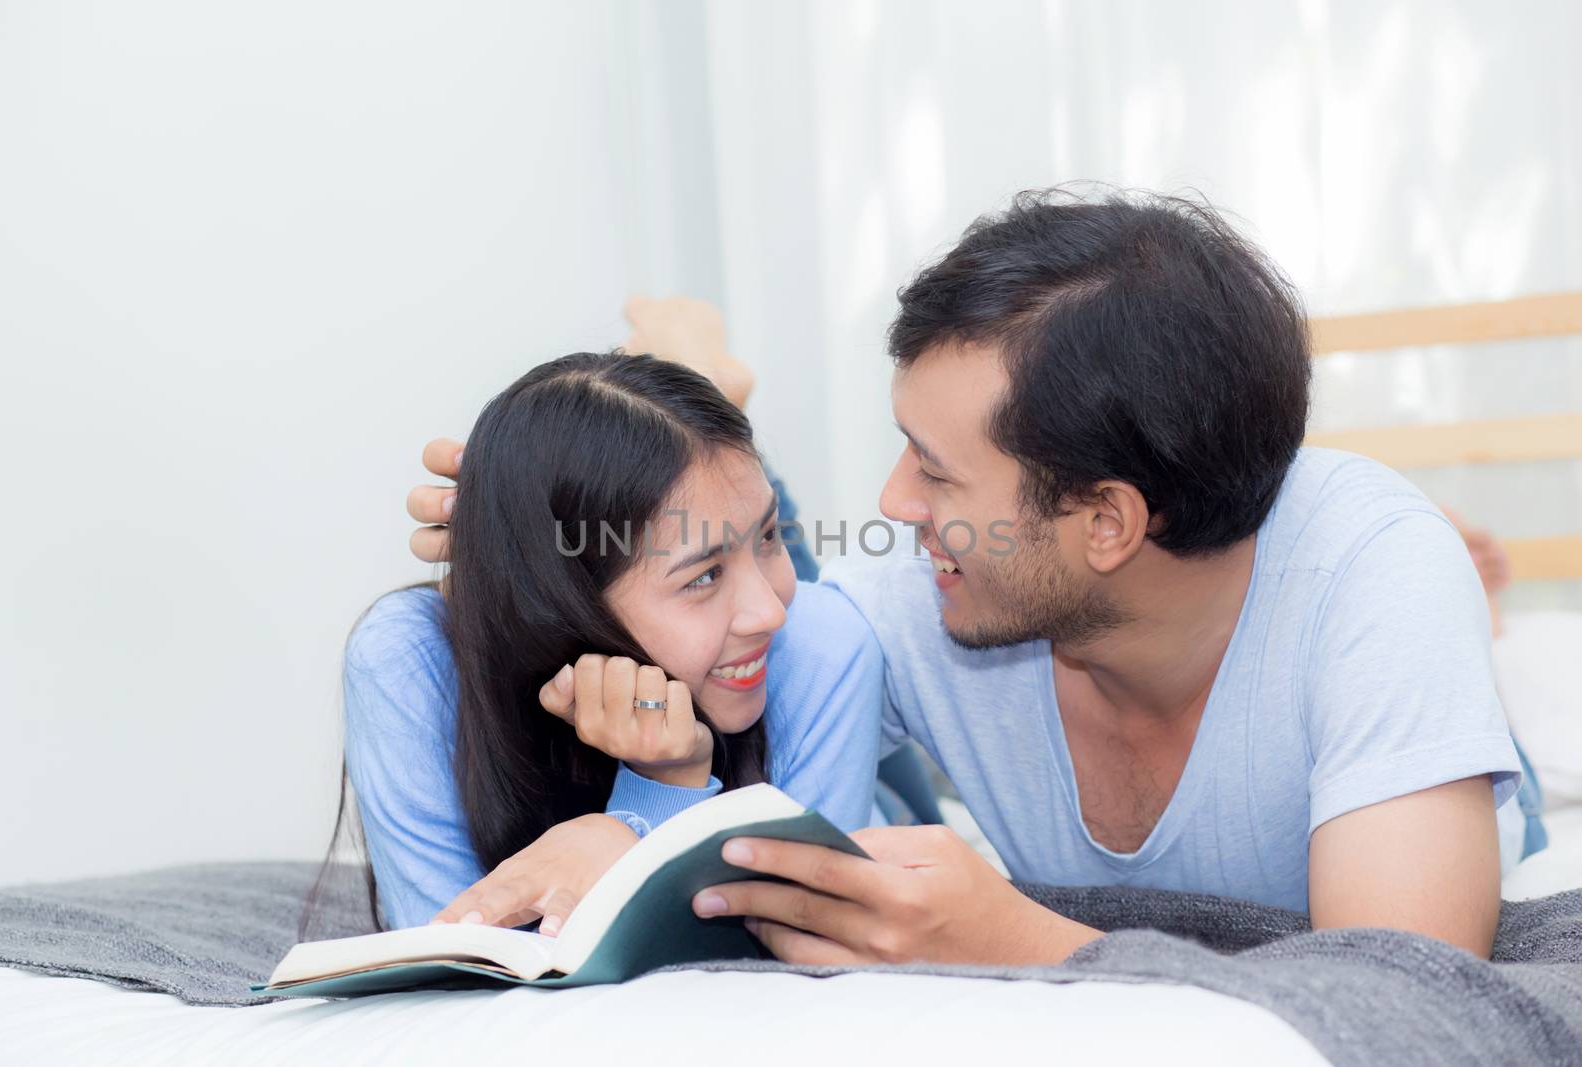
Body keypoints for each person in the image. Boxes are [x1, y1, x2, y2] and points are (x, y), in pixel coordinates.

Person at [408, 188, 1531, 963]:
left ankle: (1482, 619)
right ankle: (703, 383)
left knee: (1431, 600)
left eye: (936, 472)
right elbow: (728, 651)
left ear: (1105, 520)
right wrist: (549, 522)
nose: (893, 501)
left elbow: (1399, 989)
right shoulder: (927, 601)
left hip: (1397, 637)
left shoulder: (1371, 575)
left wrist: (1021, 940)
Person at [333, 350, 887, 934]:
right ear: (562, 603)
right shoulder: (404, 657)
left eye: (770, 535)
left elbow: (805, 955)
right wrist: (661, 792)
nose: (771, 611)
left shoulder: (823, 643)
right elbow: (450, 952)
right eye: (702, 576)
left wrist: (656, 799)